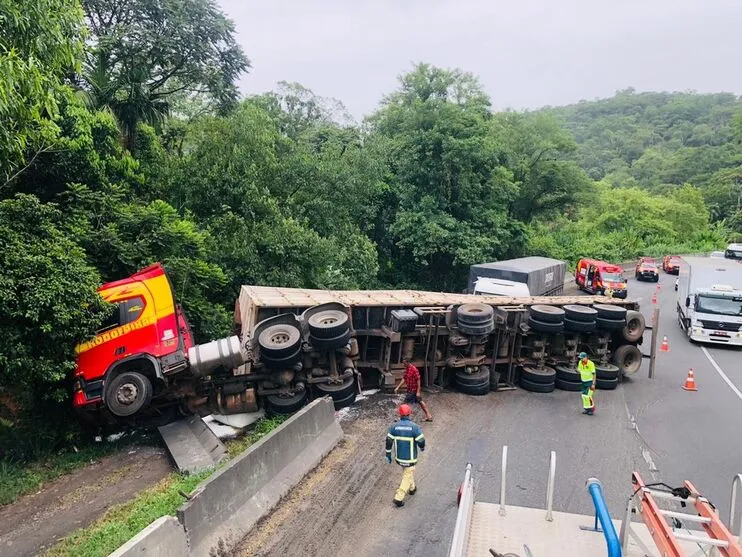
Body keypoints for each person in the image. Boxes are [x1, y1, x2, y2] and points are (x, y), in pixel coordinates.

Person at [385, 404, 426, 507]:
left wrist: (388, 454)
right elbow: (421, 441)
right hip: (410, 459)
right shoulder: (414, 427)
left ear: (400, 414)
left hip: (399, 458)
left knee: (407, 472)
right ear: (409, 413)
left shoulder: (394, 427)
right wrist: (422, 448)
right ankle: (399, 497)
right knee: (408, 474)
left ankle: (412, 488)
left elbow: (389, 441)